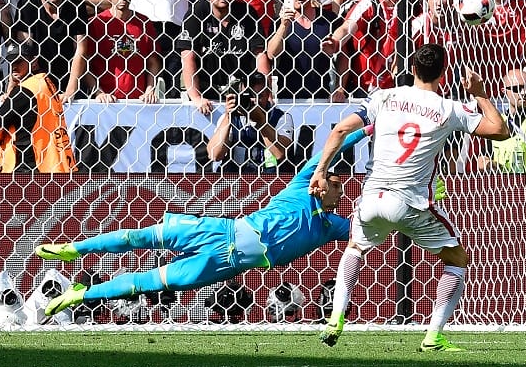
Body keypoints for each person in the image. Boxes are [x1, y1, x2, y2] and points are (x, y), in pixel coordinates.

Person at [35, 125, 372, 316]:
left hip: (222, 265)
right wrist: (370, 128)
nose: (336, 186)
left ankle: (81, 295)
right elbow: (339, 140)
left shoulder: (331, 226)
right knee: (141, 237)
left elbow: (370, 229)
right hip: (216, 230)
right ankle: (74, 249)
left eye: (340, 188)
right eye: (333, 179)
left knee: (147, 282)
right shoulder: (301, 183)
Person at [310, 43, 508, 352]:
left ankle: (336, 317)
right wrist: (480, 92)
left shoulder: (384, 97)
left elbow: (337, 131)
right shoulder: (449, 108)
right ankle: (433, 337)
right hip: (410, 203)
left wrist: (321, 171)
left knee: (355, 247)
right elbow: (499, 130)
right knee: (457, 260)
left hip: (372, 197)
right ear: (444, 73)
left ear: (412, 69)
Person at [176, 0, 263, 113]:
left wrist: (264, 94)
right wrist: (197, 98)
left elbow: (260, 54)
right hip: (205, 88)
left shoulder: (247, 13)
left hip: (239, 89)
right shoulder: (196, 13)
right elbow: (187, 57)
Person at [0, 39, 77, 173]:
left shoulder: (23, 91)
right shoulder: (45, 83)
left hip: (26, 166)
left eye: (19, 62)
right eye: (11, 62)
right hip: (51, 164)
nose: (14, 67)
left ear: (33, 62)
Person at [13, 0, 90, 103]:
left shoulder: (76, 6)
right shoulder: (27, 5)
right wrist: (13, 87)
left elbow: (81, 49)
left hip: (70, 76)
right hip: (37, 79)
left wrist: (70, 90)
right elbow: (23, 49)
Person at [85, 0, 161, 103]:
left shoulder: (144, 23)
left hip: (138, 101)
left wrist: (150, 90)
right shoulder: (95, 23)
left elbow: (153, 62)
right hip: (106, 102)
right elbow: (85, 64)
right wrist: (98, 92)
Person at [263, 0, 339, 100]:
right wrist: (284, 26)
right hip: (287, 98)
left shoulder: (328, 19)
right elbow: (271, 55)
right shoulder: (278, 23)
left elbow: (345, 55)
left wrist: (340, 87)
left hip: (322, 98)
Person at [206, 71, 295, 174]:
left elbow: (280, 153)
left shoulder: (281, 118)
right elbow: (214, 155)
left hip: (272, 181)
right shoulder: (231, 118)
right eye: (248, 96)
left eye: (259, 96)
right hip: (236, 181)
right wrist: (228, 116)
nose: (253, 101)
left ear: (267, 94)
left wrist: (261, 122)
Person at [480, 69, 526, 173]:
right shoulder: (498, 122)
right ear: (504, 91)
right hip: (502, 185)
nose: (523, 93)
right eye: (517, 88)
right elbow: (483, 157)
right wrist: (488, 164)